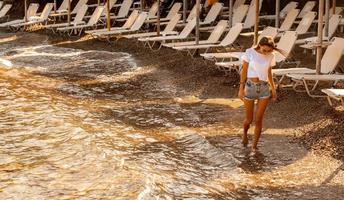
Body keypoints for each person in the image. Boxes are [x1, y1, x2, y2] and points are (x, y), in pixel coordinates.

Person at [238, 36, 278, 153]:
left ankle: (254, 147)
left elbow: (269, 72)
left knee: (259, 120)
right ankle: (245, 133)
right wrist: (241, 88)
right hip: (250, 87)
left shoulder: (271, 56)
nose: (266, 53)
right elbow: (244, 71)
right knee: (249, 120)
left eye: (269, 51)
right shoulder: (249, 52)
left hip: (264, 88)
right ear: (259, 45)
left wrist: (273, 88)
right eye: (264, 50)